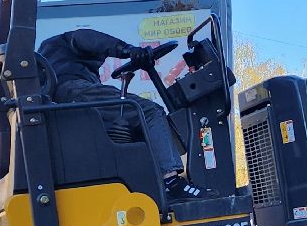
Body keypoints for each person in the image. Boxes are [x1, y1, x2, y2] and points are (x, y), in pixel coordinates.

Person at [36, 28, 205, 199]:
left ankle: (151, 183)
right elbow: (89, 38)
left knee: (135, 128)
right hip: (76, 93)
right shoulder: (68, 42)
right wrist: (128, 50)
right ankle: (171, 182)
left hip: (69, 103)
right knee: (149, 111)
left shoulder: (49, 56)